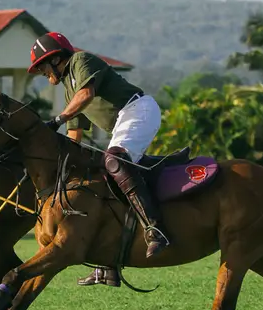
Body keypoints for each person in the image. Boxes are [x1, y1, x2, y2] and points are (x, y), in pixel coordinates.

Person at [27, 32, 171, 288]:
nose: (41, 73)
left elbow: (87, 95)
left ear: (56, 59)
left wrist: (56, 120)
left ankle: (154, 228)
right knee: (96, 174)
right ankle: (108, 264)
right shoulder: (68, 89)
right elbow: (74, 136)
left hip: (139, 110)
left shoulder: (81, 61)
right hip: (123, 122)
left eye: (41, 66)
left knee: (114, 160)